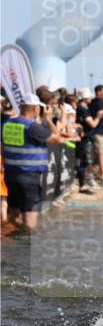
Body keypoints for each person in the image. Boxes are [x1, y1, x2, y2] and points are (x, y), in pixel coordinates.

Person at [1, 94, 68, 230]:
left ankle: (15, 244)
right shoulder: (32, 127)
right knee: (30, 223)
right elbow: (58, 139)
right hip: (29, 178)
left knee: (15, 216)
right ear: (34, 108)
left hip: (11, 175)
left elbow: (2, 149)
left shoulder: (6, 124)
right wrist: (49, 120)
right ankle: (25, 247)